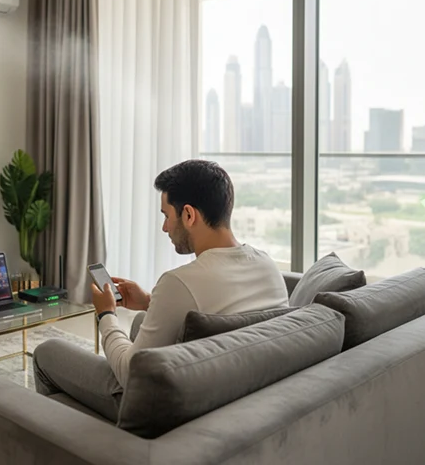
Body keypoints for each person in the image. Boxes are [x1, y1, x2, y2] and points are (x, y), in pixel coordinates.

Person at [32, 160, 289, 422]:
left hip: (164, 409)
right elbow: (223, 312)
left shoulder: (180, 282)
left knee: (46, 352)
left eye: (166, 215)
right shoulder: (267, 266)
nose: (164, 227)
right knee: (143, 321)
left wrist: (106, 315)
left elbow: (130, 375)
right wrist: (149, 302)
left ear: (189, 215)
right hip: (231, 393)